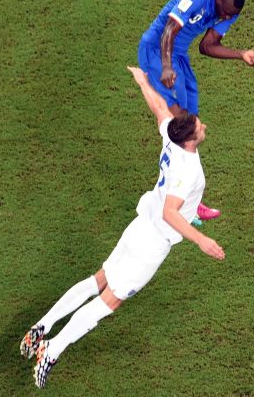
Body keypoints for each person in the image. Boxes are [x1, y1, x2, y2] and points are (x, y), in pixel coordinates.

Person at [20, 66, 226, 389]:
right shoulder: (188, 170)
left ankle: (41, 328)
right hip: (153, 243)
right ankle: (51, 351)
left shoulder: (172, 136)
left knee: (98, 279)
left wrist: (143, 81)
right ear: (189, 141)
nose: (204, 126)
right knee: (109, 301)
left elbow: (159, 108)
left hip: (140, 226)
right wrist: (201, 240)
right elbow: (172, 213)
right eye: (199, 128)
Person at [138, 0, 254, 221]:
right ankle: (183, 202)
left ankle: (184, 199)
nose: (227, 16)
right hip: (157, 50)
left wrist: (241, 55)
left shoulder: (230, 11)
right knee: (182, 127)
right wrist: (165, 67)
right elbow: (168, 30)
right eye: (225, 12)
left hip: (179, 56)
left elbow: (207, 46)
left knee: (192, 124)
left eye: (232, 14)